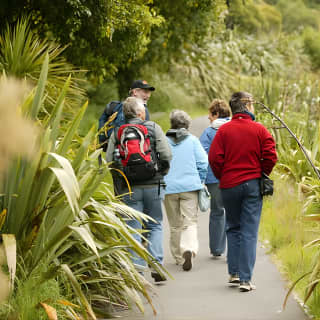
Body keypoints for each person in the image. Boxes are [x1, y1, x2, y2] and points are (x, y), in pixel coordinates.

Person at [209, 92, 277, 292]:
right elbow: (271, 155)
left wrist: (224, 175)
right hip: (252, 184)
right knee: (249, 230)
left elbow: (214, 158)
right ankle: (246, 280)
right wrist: (262, 171)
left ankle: (234, 273)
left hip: (229, 184)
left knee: (233, 227)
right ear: (247, 106)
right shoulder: (259, 130)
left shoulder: (223, 131)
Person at [106, 96, 172, 282]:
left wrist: (121, 177)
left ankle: (136, 271)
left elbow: (109, 160)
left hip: (129, 187)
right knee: (155, 224)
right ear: (140, 112)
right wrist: (162, 171)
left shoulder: (118, 132)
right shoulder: (153, 127)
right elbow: (167, 154)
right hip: (154, 184)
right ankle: (157, 264)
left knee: (132, 227)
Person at [164, 110, 208, 271]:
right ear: (187, 125)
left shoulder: (164, 140)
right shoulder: (193, 141)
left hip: (169, 188)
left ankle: (177, 257)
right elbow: (203, 162)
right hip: (190, 187)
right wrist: (200, 179)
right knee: (189, 221)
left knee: (175, 225)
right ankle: (188, 249)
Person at [100, 80, 155, 195]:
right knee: (132, 195)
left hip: (119, 159)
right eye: (145, 92)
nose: (148, 95)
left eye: (149, 92)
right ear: (135, 92)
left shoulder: (119, 108)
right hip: (130, 159)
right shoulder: (136, 110)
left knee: (121, 195)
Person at [199, 99, 231, 258]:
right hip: (234, 177)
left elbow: (202, 156)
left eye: (210, 115)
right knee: (233, 213)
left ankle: (217, 249)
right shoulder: (235, 128)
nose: (209, 118)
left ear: (216, 114)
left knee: (217, 211)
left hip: (214, 178)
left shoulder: (208, 132)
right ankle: (233, 250)